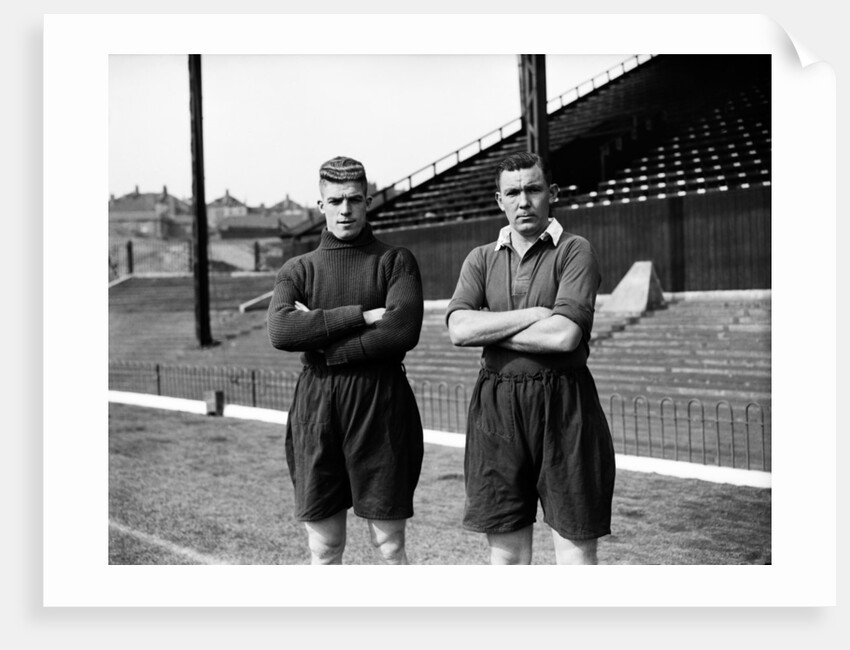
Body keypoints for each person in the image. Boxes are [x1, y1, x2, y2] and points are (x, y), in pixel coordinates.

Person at [446, 151, 615, 565]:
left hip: (565, 407)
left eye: (533, 189)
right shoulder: (481, 258)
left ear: (551, 193)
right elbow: (459, 329)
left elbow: (563, 336)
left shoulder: (575, 251)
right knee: (507, 560)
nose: (524, 201)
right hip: (496, 408)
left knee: (574, 557)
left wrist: (493, 329)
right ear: (498, 199)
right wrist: (533, 316)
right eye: (513, 192)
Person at [267, 156, 424, 565]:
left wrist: (327, 344)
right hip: (317, 403)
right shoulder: (298, 269)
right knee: (325, 546)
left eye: (354, 199)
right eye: (335, 200)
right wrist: (359, 315)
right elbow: (282, 331)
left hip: (381, 399)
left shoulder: (395, 261)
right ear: (320, 205)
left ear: (367, 201)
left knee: (389, 546)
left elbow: (401, 331)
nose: (345, 209)